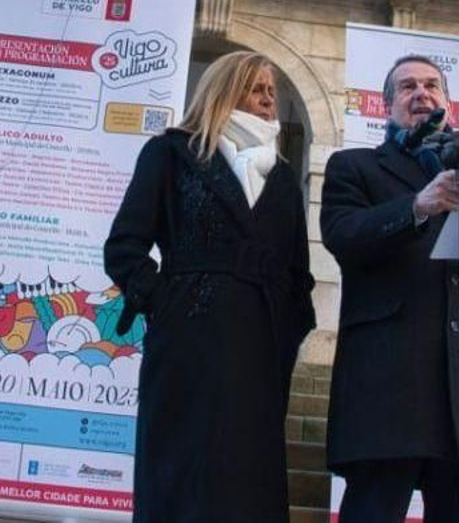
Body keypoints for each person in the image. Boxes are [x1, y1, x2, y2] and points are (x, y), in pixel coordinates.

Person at [320, 54, 459, 523]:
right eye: (408, 87)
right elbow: (342, 236)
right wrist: (416, 206)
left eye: (432, 86)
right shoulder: (354, 166)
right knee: (373, 511)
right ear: (387, 106)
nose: (421, 93)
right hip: (388, 376)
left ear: (447, 101)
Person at [103, 51, 316, 523]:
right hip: (188, 340)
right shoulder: (171, 153)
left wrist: (286, 332)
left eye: (271, 91)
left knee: (249, 481)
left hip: (260, 348)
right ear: (224, 90)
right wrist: (168, 303)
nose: (267, 100)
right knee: (182, 470)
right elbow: (124, 247)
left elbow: (298, 273)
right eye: (255, 88)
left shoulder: (281, 177)